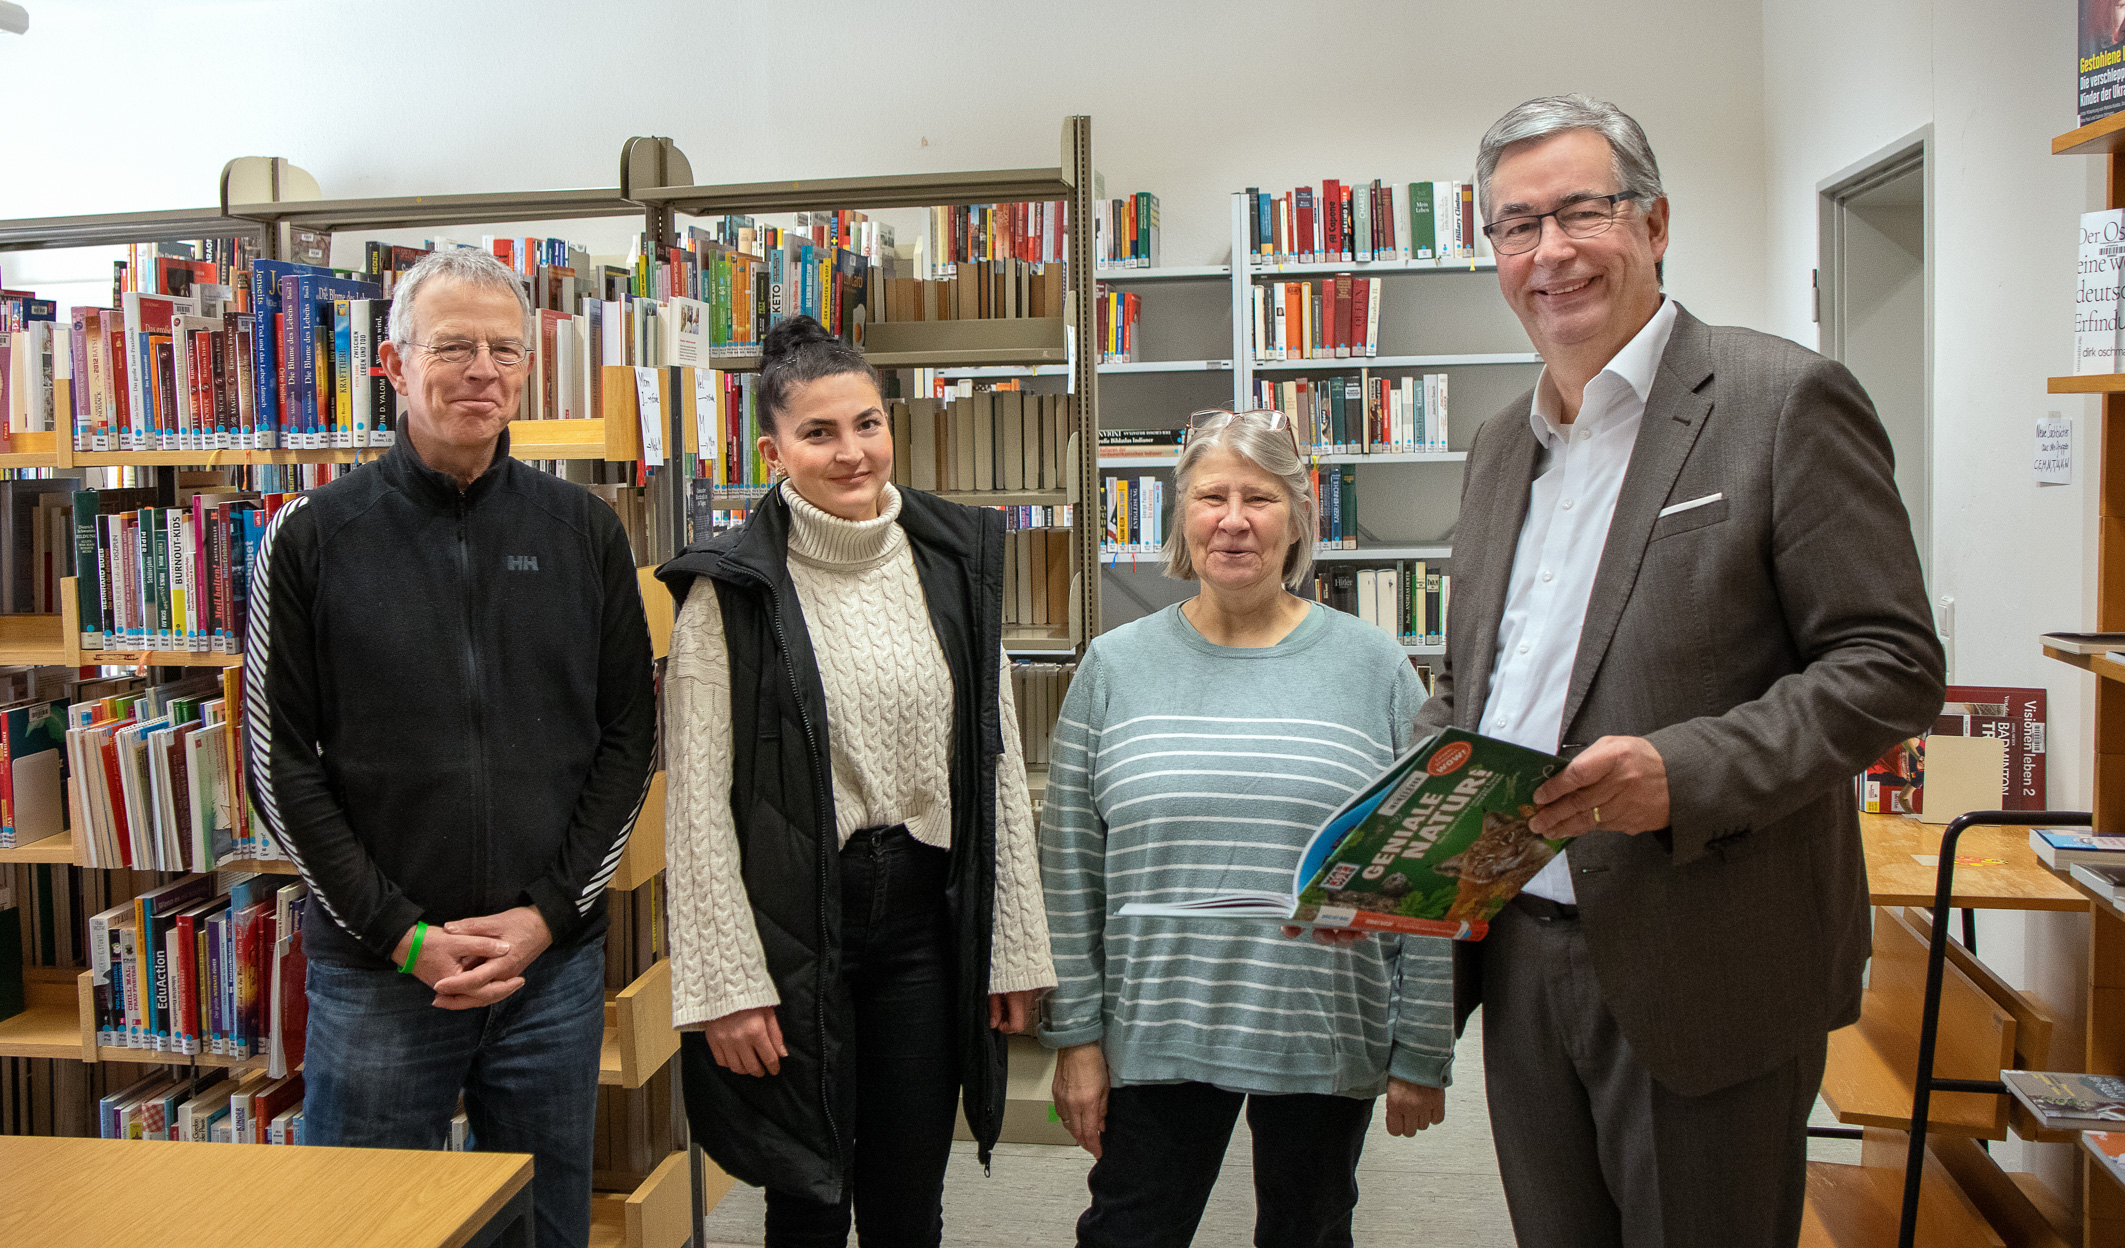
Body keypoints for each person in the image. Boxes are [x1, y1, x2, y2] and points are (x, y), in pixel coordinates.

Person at [1420, 94, 1945, 1247]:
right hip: (1520, 955)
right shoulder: (1501, 444)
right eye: (1517, 225)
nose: (1550, 252)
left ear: (1654, 224)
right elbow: (1478, 681)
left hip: (1706, 958)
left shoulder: (1779, 401)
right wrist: (1403, 839)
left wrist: (1684, 772)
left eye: (1582, 212)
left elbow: (1890, 663)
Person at [246, 247, 658, 1247]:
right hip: (381, 970)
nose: (483, 370)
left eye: (504, 350)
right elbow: (276, 761)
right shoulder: (311, 535)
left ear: (528, 368)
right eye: (453, 347)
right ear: (392, 364)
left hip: (545, 971)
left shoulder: (584, 531)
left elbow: (629, 737)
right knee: (366, 1229)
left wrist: (546, 916)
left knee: (544, 1225)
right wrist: (402, 935)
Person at [657, 315, 1056, 1248]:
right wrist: (725, 986)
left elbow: (993, 764)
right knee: (807, 1195)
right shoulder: (730, 591)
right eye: (819, 432)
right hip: (795, 923)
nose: (851, 453)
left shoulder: (951, 563)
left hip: (923, 922)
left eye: (867, 424)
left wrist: (1012, 949)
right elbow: (698, 807)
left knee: (908, 1198)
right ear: (773, 451)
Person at [1040, 407, 1453, 1248]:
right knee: (1127, 1234)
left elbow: (1424, 870)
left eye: (1259, 499)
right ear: (1181, 516)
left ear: (1297, 518)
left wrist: (1421, 1047)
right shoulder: (1112, 666)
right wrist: (1075, 1038)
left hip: (1321, 1025)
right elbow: (1069, 869)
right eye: (1211, 497)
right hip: (1154, 1028)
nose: (1233, 521)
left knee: (1309, 1233)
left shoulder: (1375, 667)